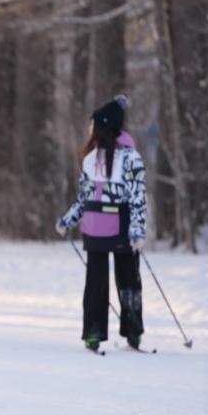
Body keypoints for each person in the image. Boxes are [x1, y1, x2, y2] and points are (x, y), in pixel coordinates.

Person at [56, 96, 148, 352]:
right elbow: (138, 199)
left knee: (96, 282)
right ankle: (132, 332)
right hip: (122, 229)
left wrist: (69, 220)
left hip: (95, 228)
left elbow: (84, 199)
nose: (89, 129)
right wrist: (138, 231)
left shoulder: (92, 159)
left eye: (93, 124)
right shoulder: (131, 159)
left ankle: (93, 332)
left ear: (102, 126)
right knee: (128, 280)